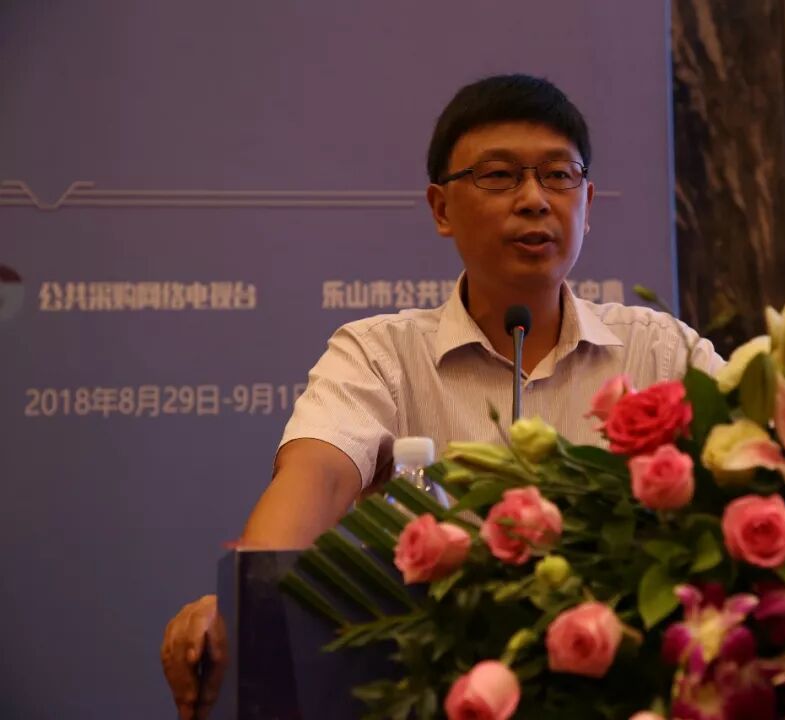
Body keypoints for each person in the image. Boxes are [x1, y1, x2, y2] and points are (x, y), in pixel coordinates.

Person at [160, 73, 723, 719]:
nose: (534, 200)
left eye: (558, 176)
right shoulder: (380, 353)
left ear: (587, 203)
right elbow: (318, 475)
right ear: (441, 208)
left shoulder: (659, 351)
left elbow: (757, 460)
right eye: (499, 176)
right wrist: (248, 602)